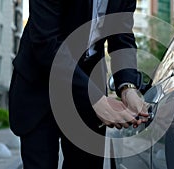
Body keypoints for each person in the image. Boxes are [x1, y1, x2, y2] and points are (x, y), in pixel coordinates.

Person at [8, 0, 148, 168]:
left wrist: (128, 88)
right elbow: (46, 44)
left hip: (89, 80)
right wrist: (96, 99)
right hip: (41, 85)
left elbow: (122, 37)